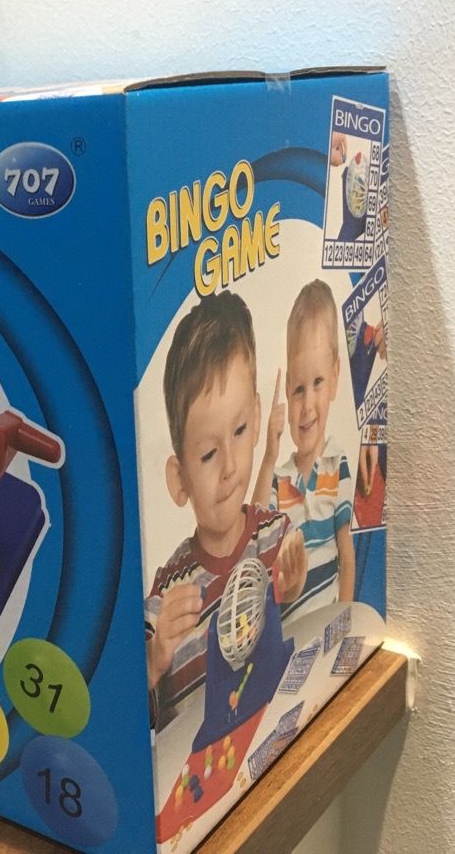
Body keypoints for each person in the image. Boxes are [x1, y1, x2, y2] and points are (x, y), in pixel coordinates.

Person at [144, 291, 306, 731]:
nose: (231, 466)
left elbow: (301, 646)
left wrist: (292, 590)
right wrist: (155, 659)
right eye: (209, 454)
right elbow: (130, 707)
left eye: (239, 430)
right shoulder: (166, 593)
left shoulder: (275, 535)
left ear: (257, 418)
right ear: (179, 480)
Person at [253, 280, 354, 617]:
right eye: (298, 389)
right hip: (288, 636)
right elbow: (254, 534)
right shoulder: (279, 480)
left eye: (318, 383)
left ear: (335, 377)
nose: (307, 404)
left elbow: (346, 555)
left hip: (329, 629)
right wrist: (269, 455)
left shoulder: (336, 465)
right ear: (286, 391)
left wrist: (345, 621)